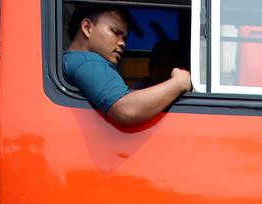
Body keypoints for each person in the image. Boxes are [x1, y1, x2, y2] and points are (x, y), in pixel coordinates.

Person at [63, 4, 192, 127]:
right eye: (115, 32)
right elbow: (125, 110)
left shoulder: (72, 59)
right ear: (87, 28)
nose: (122, 43)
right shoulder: (89, 61)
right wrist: (179, 82)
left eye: (124, 38)